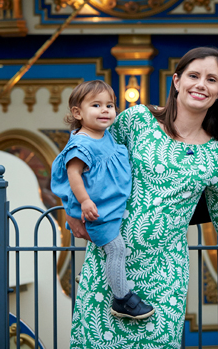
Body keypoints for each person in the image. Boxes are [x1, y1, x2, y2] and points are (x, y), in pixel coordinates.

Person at [65, 47, 218, 348]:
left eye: (211, 79)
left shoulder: (216, 155)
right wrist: (72, 209)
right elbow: (87, 156)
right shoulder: (137, 121)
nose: (201, 84)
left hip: (164, 276)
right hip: (110, 266)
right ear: (176, 81)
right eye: (193, 76)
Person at [51, 80, 154, 320]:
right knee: (117, 250)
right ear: (78, 113)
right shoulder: (82, 142)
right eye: (96, 105)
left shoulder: (103, 135)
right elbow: (73, 174)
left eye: (110, 105)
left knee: (110, 250)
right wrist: (84, 201)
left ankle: (92, 276)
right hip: (98, 211)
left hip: (111, 206)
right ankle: (123, 299)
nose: (105, 110)